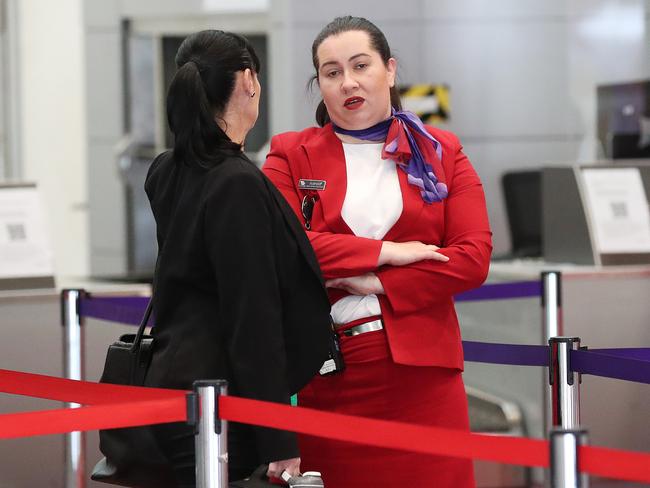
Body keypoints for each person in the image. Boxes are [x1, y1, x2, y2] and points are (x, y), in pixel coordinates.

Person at [263, 16, 492, 487]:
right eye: (331, 72)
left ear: (389, 70)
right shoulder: (290, 153)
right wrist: (390, 251)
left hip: (424, 379)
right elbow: (283, 248)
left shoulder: (440, 151)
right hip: (327, 373)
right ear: (319, 85)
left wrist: (377, 280)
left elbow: (472, 257)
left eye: (360, 65)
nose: (347, 82)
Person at [143, 30, 331, 486]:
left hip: (176, 389)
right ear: (248, 80)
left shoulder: (168, 168)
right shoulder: (235, 182)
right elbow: (252, 316)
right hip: (219, 402)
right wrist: (279, 438)